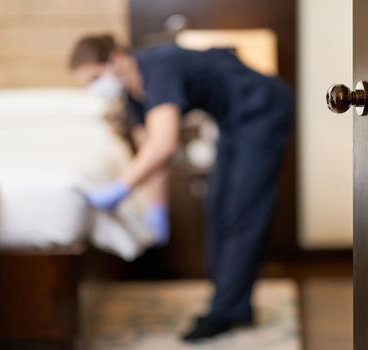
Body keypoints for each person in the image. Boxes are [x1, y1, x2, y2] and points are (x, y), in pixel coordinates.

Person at [69, 34, 293, 342]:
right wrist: (158, 208)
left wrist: (120, 188)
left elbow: (165, 143)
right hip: (231, 124)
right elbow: (152, 155)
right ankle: (234, 306)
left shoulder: (157, 67)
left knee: (243, 212)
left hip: (262, 110)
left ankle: (225, 312)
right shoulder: (133, 98)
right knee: (217, 208)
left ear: (118, 58)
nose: (96, 88)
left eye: (96, 77)